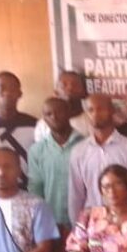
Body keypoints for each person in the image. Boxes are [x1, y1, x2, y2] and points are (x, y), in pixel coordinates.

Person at [67, 94, 127, 220]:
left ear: (112, 110)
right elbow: (76, 195)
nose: (96, 114)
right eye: (91, 110)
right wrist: (77, 227)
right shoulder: (78, 152)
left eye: (101, 109)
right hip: (92, 222)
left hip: (124, 222)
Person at [28, 97, 84, 234]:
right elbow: (35, 188)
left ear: (69, 113)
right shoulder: (37, 150)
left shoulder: (86, 146)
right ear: (44, 119)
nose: (54, 117)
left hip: (83, 221)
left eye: (59, 112)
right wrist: (41, 219)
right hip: (51, 222)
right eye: (48, 114)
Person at [0, 71, 38, 186]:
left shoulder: (34, 124)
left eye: (12, 88)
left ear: (20, 93)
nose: (7, 92)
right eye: (2, 88)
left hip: (29, 189)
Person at [34, 70, 91, 142]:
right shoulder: (44, 124)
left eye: (75, 85)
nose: (70, 88)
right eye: (64, 85)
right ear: (56, 92)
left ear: (84, 92)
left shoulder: (92, 120)